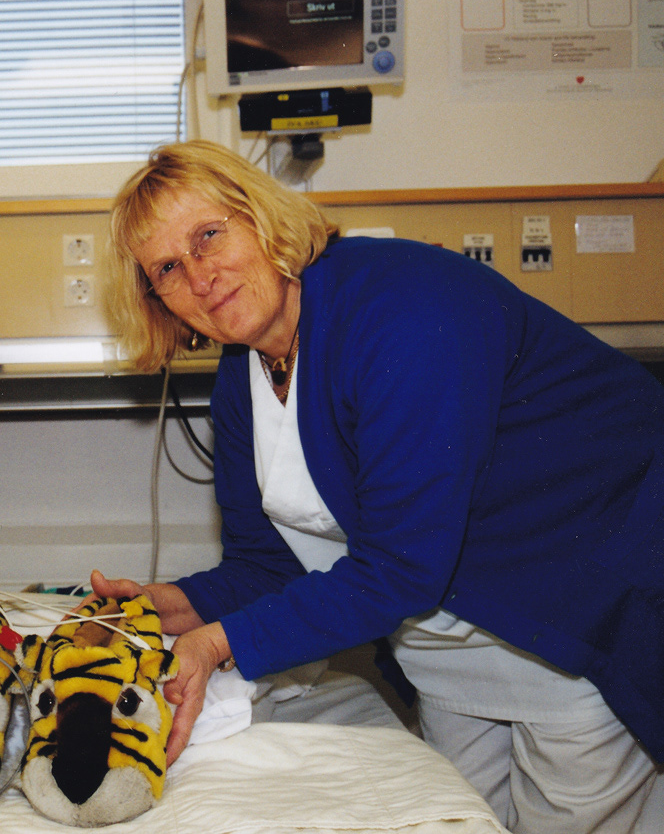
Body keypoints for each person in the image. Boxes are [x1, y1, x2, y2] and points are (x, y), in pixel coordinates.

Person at [96, 139, 664, 833]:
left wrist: (219, 643)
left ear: (260, 217)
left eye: (208, 235)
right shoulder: (241, 380)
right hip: (451, 654)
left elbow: (400, 565)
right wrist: (173, 606)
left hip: (581, 620)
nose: (200, 274)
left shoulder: (403, 310)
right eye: (168, 268)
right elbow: (269, 561)